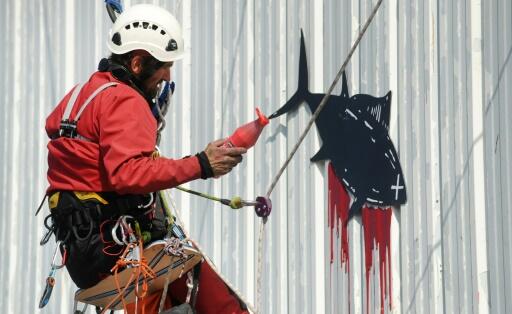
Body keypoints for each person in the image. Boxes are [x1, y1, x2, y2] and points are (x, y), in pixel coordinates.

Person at [44, 3, 249, 313]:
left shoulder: (81, 95)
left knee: (168, 303)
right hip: (115, 249)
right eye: (164, 65)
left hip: (82, 257)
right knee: (220, 302)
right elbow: (127, 173)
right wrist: (202, 164)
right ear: (137, 63)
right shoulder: (124, 99)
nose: (167, 75)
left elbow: (85, 158)